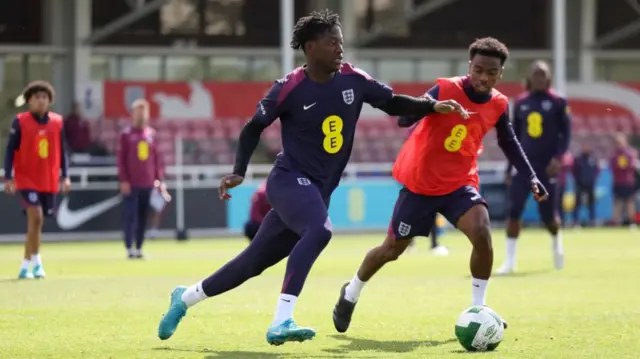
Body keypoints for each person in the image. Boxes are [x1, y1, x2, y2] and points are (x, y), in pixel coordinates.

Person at [157, 9, 469, 346]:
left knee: (251, 264)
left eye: (341, 42)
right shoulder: (288, 88)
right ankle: (282, 320)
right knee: (320, 230)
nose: (340, 48)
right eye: (332, 42)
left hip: (317, 191)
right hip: (288, 180)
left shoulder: (354, 79)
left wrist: (430, 106)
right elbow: (252, 128)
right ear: (309, 47)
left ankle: (185, 297)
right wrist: (238, 171)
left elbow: (392, 103)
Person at [331, 38, 548, 334]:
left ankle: (478, 307)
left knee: (482, 233)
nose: (484, 77)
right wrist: (434, 107)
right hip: (421, 183)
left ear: (501, 73)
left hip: (460, 183)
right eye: (479, 70)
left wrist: (532, 176)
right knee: (391, 250)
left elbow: (509, 141)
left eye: (492, 72)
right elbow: (404, 119)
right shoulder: (445, 89)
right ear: (469, 67)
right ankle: (351, 292)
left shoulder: (499, 104)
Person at [496, 61, 571, 275]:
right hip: (524, 167)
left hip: (547, 167)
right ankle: (510, 261)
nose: (539, 78)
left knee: (548, 215)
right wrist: (510, 166)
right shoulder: (520, 102)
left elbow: (566, 135)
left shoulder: (558, 101)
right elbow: (514, 137)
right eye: (536, 74)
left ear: (549, 77)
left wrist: (558, 158)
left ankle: (557, 244)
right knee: (514, 210)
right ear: (529, 77)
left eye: (543, 74)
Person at [3, 81, 70, 279]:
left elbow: (62, 151)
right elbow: (10, 151)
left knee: (35, 224)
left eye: (44, 97)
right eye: (36, 97)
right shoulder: (20, 121)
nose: (40, 100)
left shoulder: (57, 122)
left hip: (48, 179)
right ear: (29, 101)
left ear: (49, 101)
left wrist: (65, 176)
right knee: (37, 217)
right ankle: (38, 263)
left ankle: (25, 266)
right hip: (26, 179)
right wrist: (9, 177)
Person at [117, 99, 168, 259]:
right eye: (138, 111)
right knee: (130, 215)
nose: (141, 115)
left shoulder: (151, 134)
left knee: (143, 215)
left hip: (148, 183)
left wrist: (159, 180)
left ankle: (139, 247)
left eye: (143, 111)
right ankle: (128, 247)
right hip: (131, 183)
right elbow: (121, 159)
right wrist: (123, 180)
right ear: (133, 114)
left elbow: (157, 160)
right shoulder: (126, 135)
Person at [610, 133, 637, 227]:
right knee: (617, 202)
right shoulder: (614, 155)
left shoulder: (630, 153)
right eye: (617, 142)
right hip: (618, 182)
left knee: (630, 202)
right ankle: (615, 222)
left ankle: (631, 222)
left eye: (621, 142)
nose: (619, 144)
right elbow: (613, 167)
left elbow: (632, 166)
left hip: (628, 182)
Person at [572, 143, 599, 227]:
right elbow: (573, 170)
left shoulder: (593, 158)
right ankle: (576, 221)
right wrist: (578, 179)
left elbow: (597, 170)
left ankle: (592, 220)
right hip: (580, 184)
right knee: (577, 203)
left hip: (590, 184)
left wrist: (592, 179)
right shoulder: (578, 158)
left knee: (591, 203)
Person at [557, 151, 573, 226]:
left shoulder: (564, 153)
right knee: (553, 203)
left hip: (561, 182)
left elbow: (568, 163)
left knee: (561, 203)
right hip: (551, 181)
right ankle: (551, 220)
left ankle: (561, 221)